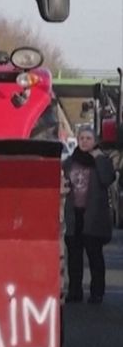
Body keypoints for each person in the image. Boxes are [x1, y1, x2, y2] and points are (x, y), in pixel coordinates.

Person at [63, 126, 117, 303]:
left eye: (88, 138)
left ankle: (96, 292)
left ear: (95, 141)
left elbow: (107, 179)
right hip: (74, 215)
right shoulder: (70, 162)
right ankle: (75, 291)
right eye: (82, 138)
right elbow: (64, 181)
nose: (85, 141)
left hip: (93, 217)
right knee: (74, 258)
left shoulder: (102, 160)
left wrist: (99, 159)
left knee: (95, 256)